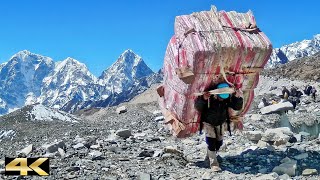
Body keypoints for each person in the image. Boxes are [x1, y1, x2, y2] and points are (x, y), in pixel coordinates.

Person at [195, 82, 243, 172]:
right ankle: (214, 164)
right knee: (211, 142)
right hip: (208, 122)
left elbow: (237, 107)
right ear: (217, 94)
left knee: (219, 143)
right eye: (220, 97)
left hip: (220, 122)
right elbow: (198, 107)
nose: (221, 99)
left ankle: (208, 157)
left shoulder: (227, 99)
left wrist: (237, 98)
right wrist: (203, 99)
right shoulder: (209, 98)